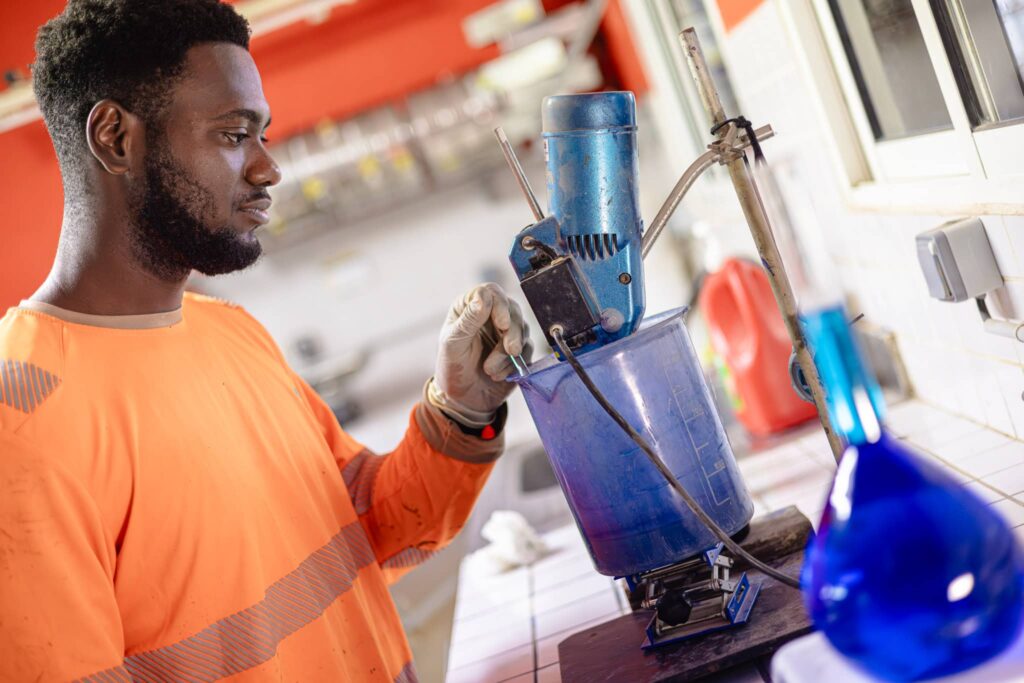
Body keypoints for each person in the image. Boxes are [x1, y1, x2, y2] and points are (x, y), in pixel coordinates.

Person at [0, 1, 532, 681]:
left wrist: (461, 411)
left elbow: (369, 527)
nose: (266, 169)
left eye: (263, 135)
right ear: (114, 137)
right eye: (232, 135)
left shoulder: (231, 332)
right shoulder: (21, 422)